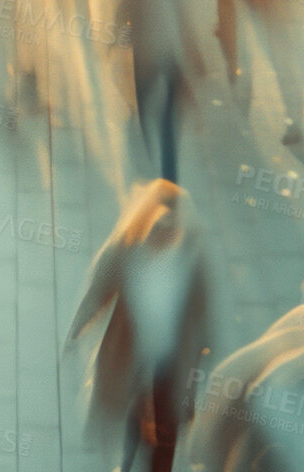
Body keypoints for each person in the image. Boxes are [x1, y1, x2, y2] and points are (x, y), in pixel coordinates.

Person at [67, 181, 212, 472]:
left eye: (172, 229)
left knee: (165, 433)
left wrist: (207, 347)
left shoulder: (191, 258)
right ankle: (129, 457)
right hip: (130, 357)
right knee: (135, 420)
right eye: (159, 227)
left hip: (171, 364)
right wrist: (77, 328)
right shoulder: (125, 251)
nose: (165, 235)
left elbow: (202, 310)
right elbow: (98, 290)